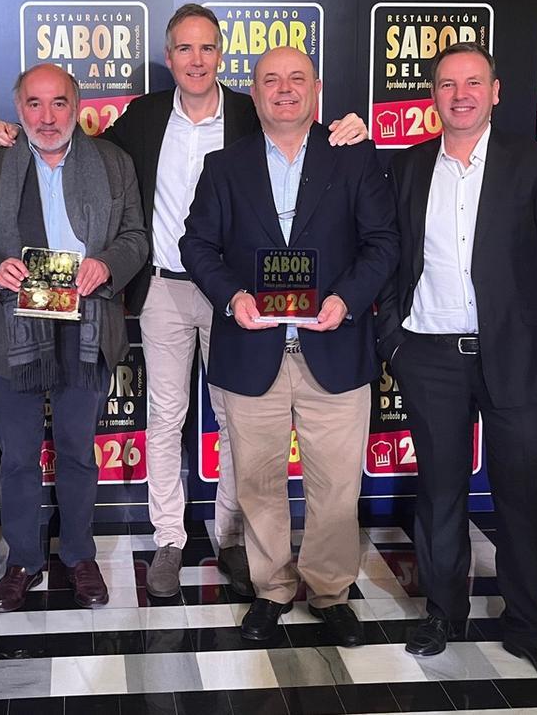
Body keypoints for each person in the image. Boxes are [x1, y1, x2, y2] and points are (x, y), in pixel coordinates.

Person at [0, 4, 368, 598]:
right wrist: (8, 137)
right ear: (170, 58)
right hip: (163, 288)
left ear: (222, 55)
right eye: (184, 49)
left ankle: (233, 539)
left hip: (243, 295)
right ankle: (169, 538)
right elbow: (74, 156)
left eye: (207, 48)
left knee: (240, 418)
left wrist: (346, 128)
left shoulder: (251, 111)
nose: (195, 60)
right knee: (165, 418)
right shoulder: (141, 117)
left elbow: (304, 145)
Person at [375, 42, 537, 688]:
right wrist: (395, 342)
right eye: (447, 84)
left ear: (496, 91)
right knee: (440, 495)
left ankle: (528, 626)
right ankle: (443, 613)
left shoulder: (536, 162)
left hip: (518, 358)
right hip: (430, 356)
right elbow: (391, 260)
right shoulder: (409, 166)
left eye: (473, 82)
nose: (461, 94)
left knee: (522, 498)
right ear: (434, 96)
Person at [179, 46, 399, 646]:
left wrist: (346, 300)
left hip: (335, 344)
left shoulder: (354, 159)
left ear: (317, 89)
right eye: (270, 80)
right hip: (253, 350)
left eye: (296, 79)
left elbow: (382, 244)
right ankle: (271, 589)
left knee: (336, 484)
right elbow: (195, 245)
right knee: (257, 480)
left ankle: (329, 591)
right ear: (253, 93)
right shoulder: (225, 166)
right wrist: (233, 299)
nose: (283, 90)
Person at [0, 64, 148, 612]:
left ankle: (79, 555)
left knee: (77, 453)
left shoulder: (114, 163)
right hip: (10, 329)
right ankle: (22, 560)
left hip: (87, 326)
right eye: (35, 104)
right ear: (19, 110)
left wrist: (107, 265)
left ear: (76, 105)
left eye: (59, 103)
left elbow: (136, 236)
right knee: (16, 458)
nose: (47, 117)